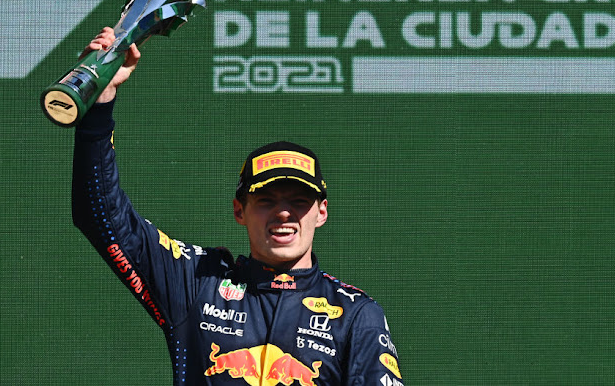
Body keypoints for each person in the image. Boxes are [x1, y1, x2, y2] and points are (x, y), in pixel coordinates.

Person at [71, 28, 404, 385]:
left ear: (322, 212)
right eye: (266, 200)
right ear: (238, 210)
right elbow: (102, 217)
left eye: (299, 200)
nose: (284, 213)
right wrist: (99, 102)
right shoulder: (200, 282)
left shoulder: (355, 315)